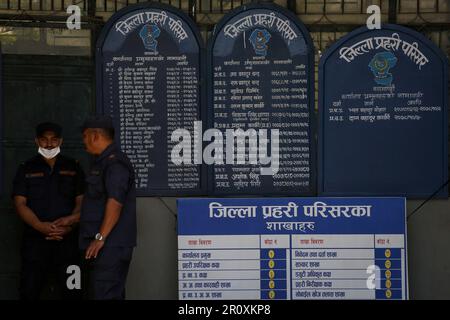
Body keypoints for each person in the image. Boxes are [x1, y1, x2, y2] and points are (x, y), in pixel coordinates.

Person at [12, 122, 84, 300]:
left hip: (68, 243)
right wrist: (39, 226)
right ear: (37, 141)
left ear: (61, 141)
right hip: (35, 243)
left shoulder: (74, 167)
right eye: (44, 140)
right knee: (29, 291)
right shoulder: (25, 168)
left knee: (72, 292)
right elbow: (20, 203)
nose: (50, 144)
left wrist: (70, 226)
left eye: (54, 139)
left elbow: (82, 201)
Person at [79, 115, 136, 300]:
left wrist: (100, 238)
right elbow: (97, 203)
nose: (83, 141)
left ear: (95, 136)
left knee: (104, 294)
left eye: (85, 136)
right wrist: (71, 219)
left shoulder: (115, 163)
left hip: (109, 245)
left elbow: (115, 202)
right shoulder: (102, 163)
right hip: (104, 245)